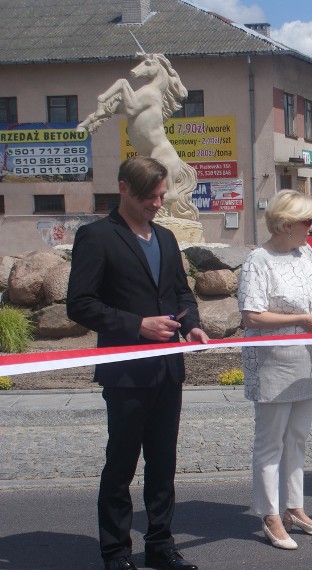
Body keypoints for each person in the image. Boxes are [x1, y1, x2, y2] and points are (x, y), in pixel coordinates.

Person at [67, 157, 209, 570]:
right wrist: (136, 325)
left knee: (163, 463)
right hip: (126, 371)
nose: (157, 203)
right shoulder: (97, 237)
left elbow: (181, 294)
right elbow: (81, 303)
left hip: (168, 367)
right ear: (124, 188)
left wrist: (192, 325)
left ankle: (161, 545)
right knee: (122, 463)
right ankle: (115, 551)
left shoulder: (165, 238)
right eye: (150, 196)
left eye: (162, 195)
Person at [238, 190, 312, 548]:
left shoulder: (304, 254)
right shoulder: (259, 260)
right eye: (307, 221)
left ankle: (294, 507)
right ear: (286, 224)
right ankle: (270, 515)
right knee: (270, 442)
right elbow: (251, 315)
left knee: (297, 437)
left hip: (308, 360)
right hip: (273, 361)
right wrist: (302, 317)